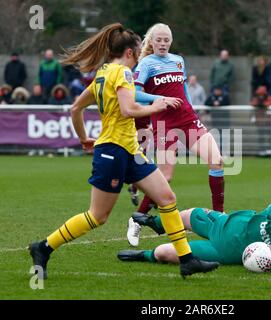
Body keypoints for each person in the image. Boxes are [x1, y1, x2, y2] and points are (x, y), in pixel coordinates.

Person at [28, 23, 219, 280]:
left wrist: (84, 138)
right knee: (98, 216)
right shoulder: (124, 74)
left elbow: (75, 109)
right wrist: (158, 105)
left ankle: (187, 260)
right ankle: (43, 247)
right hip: (113, 151)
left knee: (166, 198)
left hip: (129, 150)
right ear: (129, 52)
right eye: (139, 51)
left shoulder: (103, 73)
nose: (141, 55)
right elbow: (129, 109)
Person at [127, 23, 225, 247]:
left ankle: (219, 218)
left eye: (166, 40)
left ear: (171, 41)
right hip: (164, 123)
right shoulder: (146, 63)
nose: (162, 43)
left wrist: (191, 108)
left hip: (187, 119)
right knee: (165, 177)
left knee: (217, 161)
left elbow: (185, 89)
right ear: (151, 42)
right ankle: (137, 220)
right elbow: (134, 93)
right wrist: (158, 100)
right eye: (158, 40)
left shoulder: (178, 60)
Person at [118, 195, 271, 270]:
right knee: (185, 215)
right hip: (223, 222)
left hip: (221, 250)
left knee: (165, 252)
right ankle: (156, 223)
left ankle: (144, 255)